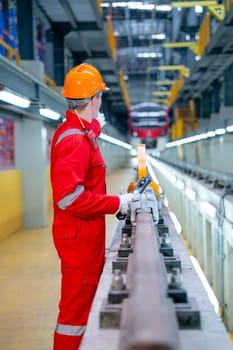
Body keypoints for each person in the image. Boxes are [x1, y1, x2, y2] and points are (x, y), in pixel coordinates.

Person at [50, 63, 133, 350]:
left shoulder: (81, 131)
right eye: (99, 97)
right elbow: (68, 198)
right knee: (75, 315)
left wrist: (96, 126)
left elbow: (86, 137)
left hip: (84, 236)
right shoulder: (75, 141)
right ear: (94, 99)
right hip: (79, 241)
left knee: (83, 308)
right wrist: (117, 203)